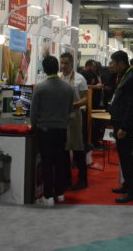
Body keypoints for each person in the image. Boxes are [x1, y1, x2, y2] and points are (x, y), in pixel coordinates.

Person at [31, 56, 75, 206]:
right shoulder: (68, 88)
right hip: (61, 130)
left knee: (47, 163)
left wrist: (33, 127)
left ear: (44, 69)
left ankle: (48, 196)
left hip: (45, 131)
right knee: (60, 162)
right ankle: (60, 193)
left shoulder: (40, 88)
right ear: (58, 67)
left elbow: (33, 113)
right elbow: (70, 110)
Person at [108, 51, 133, 203]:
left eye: (113, 62)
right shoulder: (125, 76)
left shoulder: (132, 77)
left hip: (124, 124)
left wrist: (125, 127)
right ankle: (127, 185)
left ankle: (132, 192)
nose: (111, 65)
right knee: (123, 156)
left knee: (127, 158)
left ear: (121, 63)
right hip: (119, 121)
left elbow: (131, 105)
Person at [59, 52, 89, 191]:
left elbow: (86, 99)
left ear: (72, 63)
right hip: (61, 118)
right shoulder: (59, 78)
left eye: (66, 63)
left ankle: (83, 180)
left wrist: (74, 104)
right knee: (64, 150)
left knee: (77, 148)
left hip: (75, 116)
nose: (63, 66)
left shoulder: (79, 79)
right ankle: (66, 180)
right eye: (62, 63)